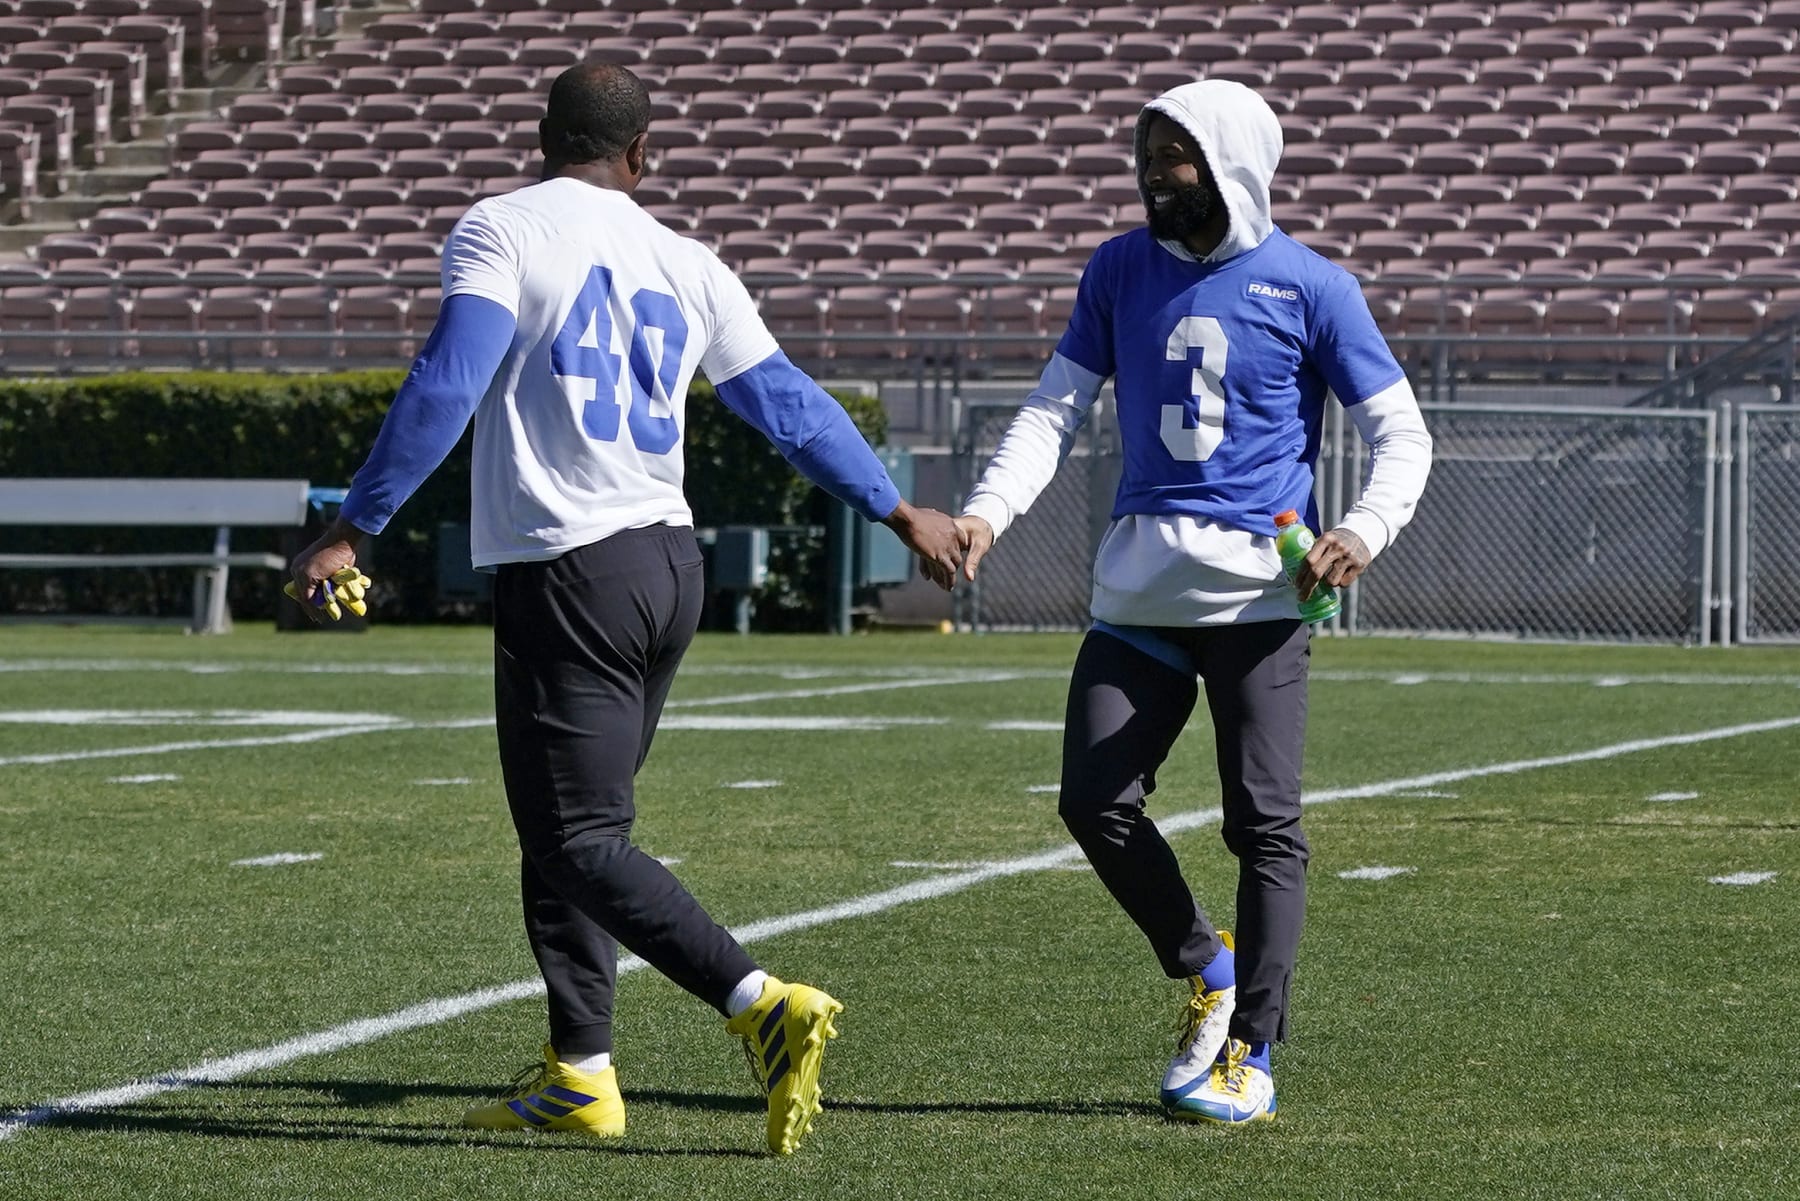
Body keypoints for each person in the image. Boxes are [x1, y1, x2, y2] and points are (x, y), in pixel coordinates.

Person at [286, 62, 964, 1155]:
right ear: (642, 156)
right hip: (666, 564)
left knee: (577, 831)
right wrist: (896, 509)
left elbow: (449, 383)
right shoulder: (687, 260)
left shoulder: (502, 227)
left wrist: (354, 525)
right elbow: (787, 408)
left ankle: (762, 1006)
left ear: (540, 136)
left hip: (572, 569)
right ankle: (580, 1068)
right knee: (567, 827)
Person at [951, 79, 1432, 1124]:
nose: (1154, 174)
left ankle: (1253, 1050)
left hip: (1263, 597)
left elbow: (1405, 435)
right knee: (1092, 800)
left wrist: (1361, 528)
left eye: (1176, 155)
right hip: (1139, 592)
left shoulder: (1314, 285)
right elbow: (1052, 411)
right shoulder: (1118, 268)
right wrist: (989, 511)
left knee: (1265, 825)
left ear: (1231, 164)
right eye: (1151, 152)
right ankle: (1207, 967)